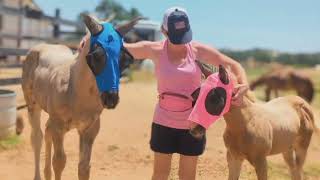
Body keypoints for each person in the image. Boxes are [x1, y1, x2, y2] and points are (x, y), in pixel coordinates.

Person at [124, 7, 248, 180]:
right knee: (160, 174)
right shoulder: (154, 50)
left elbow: (234, 65)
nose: (181, 41)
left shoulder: (198, 50)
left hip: (194, 124)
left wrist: (244, 85)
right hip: (163, 121)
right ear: (163, 30)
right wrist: (94, 39)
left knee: (187, 176)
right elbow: (121, 48)